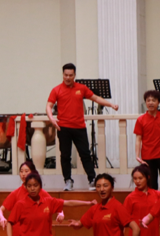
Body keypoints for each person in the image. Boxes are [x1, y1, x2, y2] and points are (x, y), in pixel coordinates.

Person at [47, 63, 119, 191]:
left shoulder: (81, 88)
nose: (68, 77)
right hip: (63, 128)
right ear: (62, 74)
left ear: (74, 75)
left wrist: (111, 105)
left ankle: (92, 180)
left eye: (70, 75)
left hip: (79, 127)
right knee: (65, 156)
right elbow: (49, 105)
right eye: (65, 75)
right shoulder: (56, 90)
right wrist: (51, 118)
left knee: (85, 154)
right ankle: (68, 180)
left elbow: (96, 98)